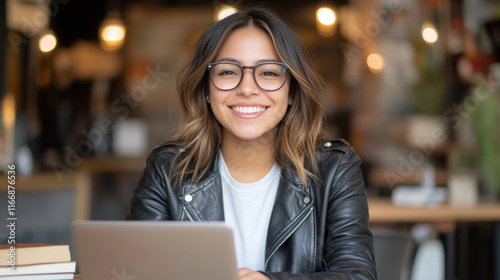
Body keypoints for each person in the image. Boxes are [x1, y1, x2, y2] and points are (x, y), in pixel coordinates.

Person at [127, 7, 376, 280]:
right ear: (206, 90)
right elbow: (134, 272)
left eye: (269, 73)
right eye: (227, 72)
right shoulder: (167, 170)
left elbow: (357, 276)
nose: (247, 88)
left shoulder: (334, 169)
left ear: (291, 90)